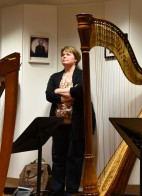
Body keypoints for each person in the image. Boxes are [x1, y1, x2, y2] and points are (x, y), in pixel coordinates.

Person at [45, 46, 96, 196]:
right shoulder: (55, 77)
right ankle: (56, 191)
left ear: (76, 58)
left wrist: (59, 91)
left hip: (77, 124)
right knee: (58, 157)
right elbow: (48, 95)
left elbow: (80, 91)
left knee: (75, 158)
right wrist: (68, 94)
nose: (64, 56)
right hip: (58, 123)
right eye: (62, 54)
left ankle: (71, 191)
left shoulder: (82, 74)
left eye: (68, 54)